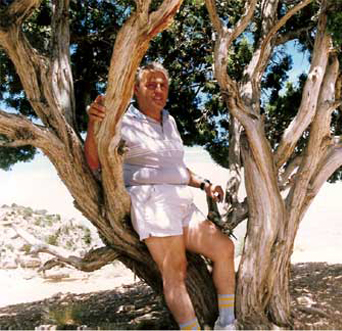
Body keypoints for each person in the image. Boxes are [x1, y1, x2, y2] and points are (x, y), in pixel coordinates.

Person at [84, 62, 236, 330]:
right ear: (135, 89)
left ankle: (227, 322)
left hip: (181, 201)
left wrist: (204, 185)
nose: (158, 89)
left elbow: (176, 167)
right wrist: (93, 124)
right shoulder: (121, 119)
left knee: (224, 248)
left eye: (162, 85)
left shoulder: (171, 121)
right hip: (151, 200)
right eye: (150, 84)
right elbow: (94, 162)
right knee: (175, 271)